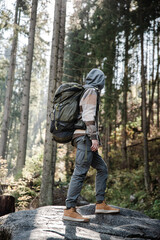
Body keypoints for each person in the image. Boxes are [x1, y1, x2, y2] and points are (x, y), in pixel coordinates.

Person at [63, 68, 120, 222]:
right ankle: (69, 209)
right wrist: (94, 137)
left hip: (82, 136)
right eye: (102, 79)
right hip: (85, 137)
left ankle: (100, 204)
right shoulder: (91, 91)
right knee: (80, 171)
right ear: (99, 79)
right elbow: (88, 115)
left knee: (102, 168)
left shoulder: (85, 90)